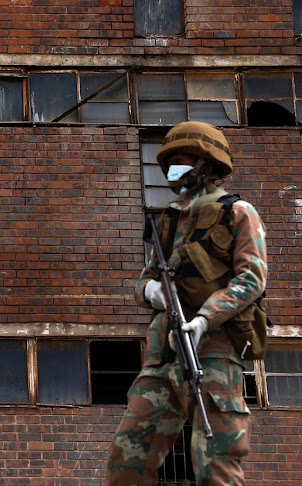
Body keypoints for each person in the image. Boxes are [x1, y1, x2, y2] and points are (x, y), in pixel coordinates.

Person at [106, 122, 268, 485]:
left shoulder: (238, 212)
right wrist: (152, 293)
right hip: (162, 353)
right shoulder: (169, 219)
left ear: (208, 165)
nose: (174, 171)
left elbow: (252, 278)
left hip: (212, 349)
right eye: (170, 164)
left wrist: (206, 318)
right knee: (127, 455)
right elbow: (145, 280)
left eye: (182, 162)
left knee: (215, 458)